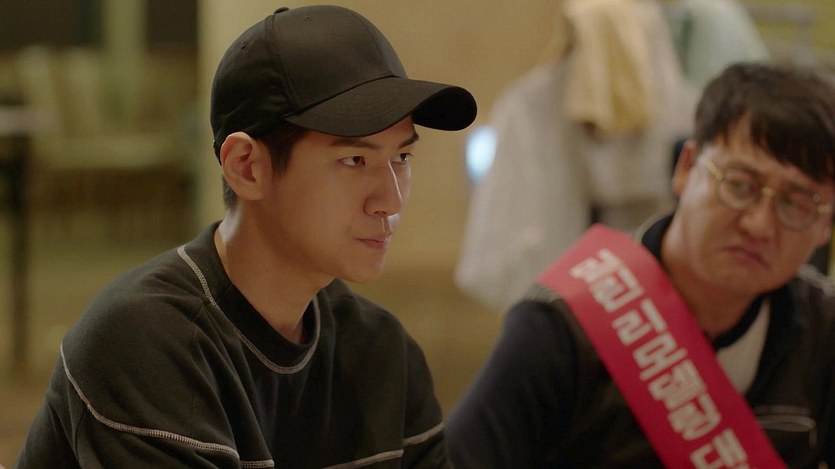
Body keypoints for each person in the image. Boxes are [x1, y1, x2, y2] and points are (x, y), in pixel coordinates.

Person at [15, 5, 476, 468]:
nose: (390, 201)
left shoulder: (383, 352)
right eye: (354, 160)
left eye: (401, 158)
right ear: (246, 168)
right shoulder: (144, 342)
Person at [446, 62, 835, 468]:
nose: (759, 225)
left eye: (797, 203)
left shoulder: (823, 332)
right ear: (686, 168)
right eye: (740, 185)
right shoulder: (563, 327)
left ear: (826, 225)